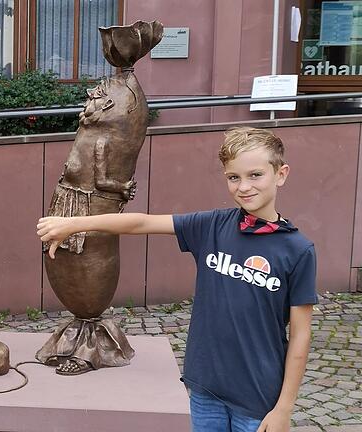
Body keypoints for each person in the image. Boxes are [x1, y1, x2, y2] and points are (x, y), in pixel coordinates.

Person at [37, 127, 315, 432]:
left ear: (281, 174)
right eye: (233, 177)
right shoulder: (212, 226)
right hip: (206, 388)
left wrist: (284, 408)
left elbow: (301, 335)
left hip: (258, 398)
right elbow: (142, 222)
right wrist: (74, 224)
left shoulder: (297, 250)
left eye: (255, 175)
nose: (244, 186)